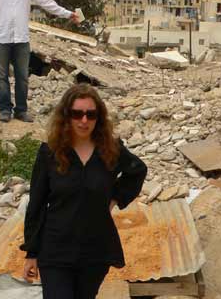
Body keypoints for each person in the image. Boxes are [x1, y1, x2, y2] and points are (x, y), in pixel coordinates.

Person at [20, 83, 147, 299]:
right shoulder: (50, 153)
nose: (84, 120)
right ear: (67, 116)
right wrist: (32, 253)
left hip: (95, 251)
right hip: (56, 251)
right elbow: (37, 205)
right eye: (77, 114)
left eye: (91, 114)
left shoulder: (111, 150)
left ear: (99, 117)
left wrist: (115, 198)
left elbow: (137, 171)